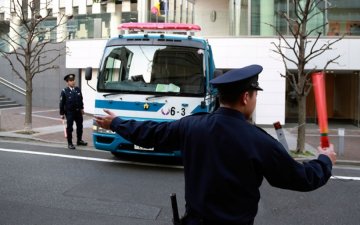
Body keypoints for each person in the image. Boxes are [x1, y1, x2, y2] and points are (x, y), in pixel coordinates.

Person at [94, 64, 336, 225]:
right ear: (245, 97)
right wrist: (325, 160)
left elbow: (151, 133)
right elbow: (300, 178)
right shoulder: (258, 140)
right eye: (255, 94)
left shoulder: (191, 126)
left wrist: (117, 123)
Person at [60, 73, 88, 149]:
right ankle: (70, 143)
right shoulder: (64, 91)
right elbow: (61, 103)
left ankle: (79, 140)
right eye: (71, 80)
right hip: (69, 113)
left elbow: (81, 100)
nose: (73, 82)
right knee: (70, 128)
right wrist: (62, 113)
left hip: (78, 112)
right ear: (67, 82)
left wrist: (82, 109)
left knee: (80, 127)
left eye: (73, 80)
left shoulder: (77, 89)